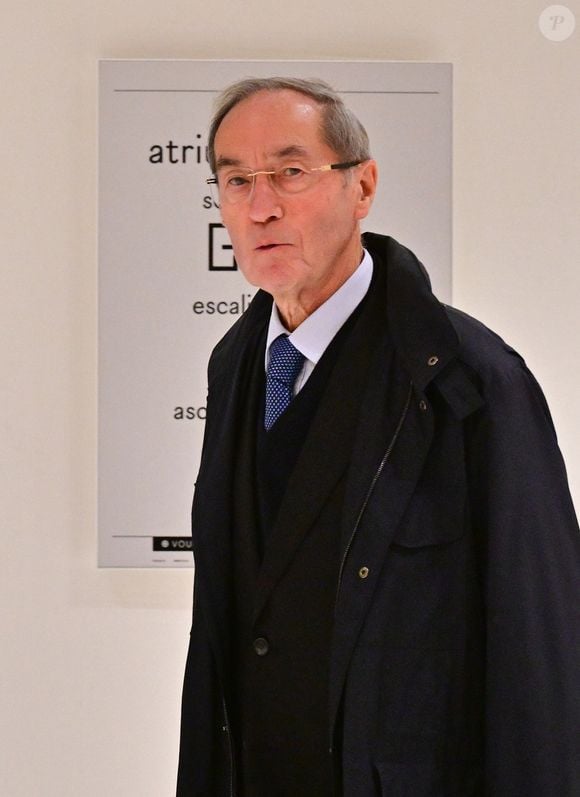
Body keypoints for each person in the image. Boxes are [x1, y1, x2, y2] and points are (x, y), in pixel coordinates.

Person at [177, 77, 580, 796]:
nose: (261, 206)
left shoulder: (469, 376)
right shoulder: (234, 364)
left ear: (361, 187)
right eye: (237, 180)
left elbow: (540, 645)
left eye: (290, 172)